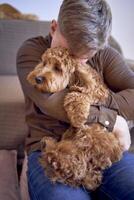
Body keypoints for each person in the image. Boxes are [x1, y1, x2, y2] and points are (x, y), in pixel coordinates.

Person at [17, 0, 134, 199]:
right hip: (49, 148)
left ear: (97, 48)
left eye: (83, 57)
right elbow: (53, 102)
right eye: (70, 51)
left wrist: (103, 111)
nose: (73, 60)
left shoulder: (105, 55)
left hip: (99, 145)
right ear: (54, 28)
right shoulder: (31, 50)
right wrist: (114, 121)